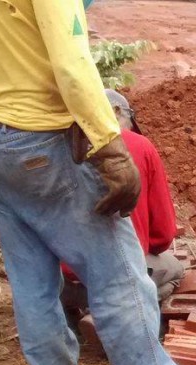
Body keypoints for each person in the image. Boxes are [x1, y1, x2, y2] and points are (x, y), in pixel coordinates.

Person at [0, 0, 196, 365]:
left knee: (33, 287)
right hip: (44, 139)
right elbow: (73, 65)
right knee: (117, 273)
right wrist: (108, 146)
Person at [61, 90, 185, 320]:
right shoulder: (140, 145)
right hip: (120, 270)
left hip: (67, 274)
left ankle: (76, 310)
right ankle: (114, 311)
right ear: (120, 113)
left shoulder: (59, 145)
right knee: (176, 269)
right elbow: (164, 233)